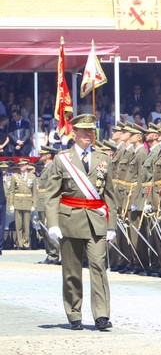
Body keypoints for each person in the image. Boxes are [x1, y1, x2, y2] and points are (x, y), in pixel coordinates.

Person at [44, 114, 119, 331]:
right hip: (70, 219)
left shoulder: (103, 159)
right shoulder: (62, 160)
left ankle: (102, 315)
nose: (88, 135)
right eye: (84, 131)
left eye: (91, 131)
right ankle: (74, 314)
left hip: (96, 220)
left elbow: (110, 195)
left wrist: (112, 224)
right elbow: (51, 195)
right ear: (74, 133)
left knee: (98, 266)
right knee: (72, 270)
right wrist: (53, 223)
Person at [9, 158, 36, 249]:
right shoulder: (15, 176)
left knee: (26, 225)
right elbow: (11, 191)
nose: (21, 167)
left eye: (23, 165)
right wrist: (11, 204)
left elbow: (34, 192)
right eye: (20, 165)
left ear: (27, 166)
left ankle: (26, 243)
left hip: (28, 202)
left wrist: (34, 204)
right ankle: (19, 243)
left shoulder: (32, 177)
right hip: (18, 201)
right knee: (18, 224)